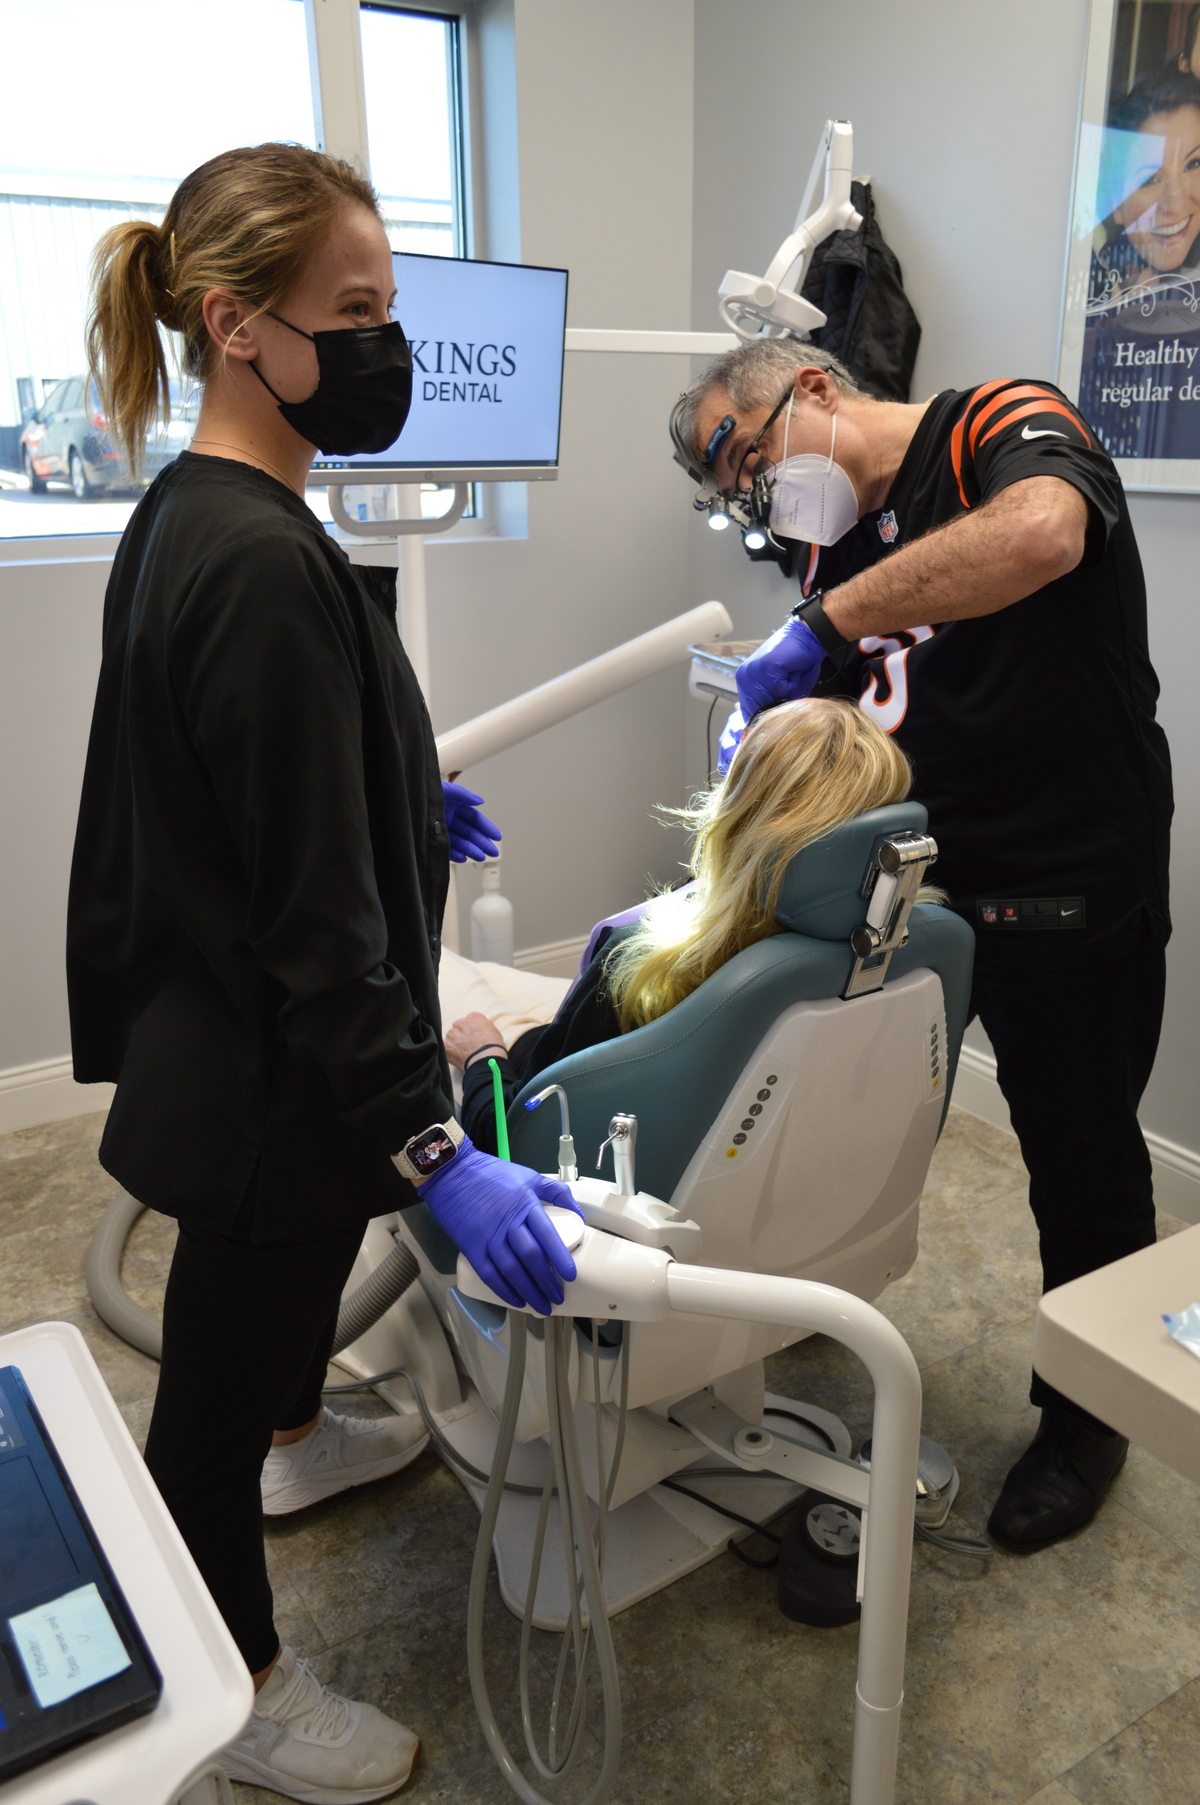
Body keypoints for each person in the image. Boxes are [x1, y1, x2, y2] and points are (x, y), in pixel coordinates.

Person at [67, 143, 578, 1805]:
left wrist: (390, 782)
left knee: (272, 1340)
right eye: (352, 310)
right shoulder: (270, 564)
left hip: (234, 1041)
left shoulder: (203, 516)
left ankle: (306, 1434)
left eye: (392, 305)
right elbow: (318, 937)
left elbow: (219, 769)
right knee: (202, 1410)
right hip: (268, 1085)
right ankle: (237, 1692)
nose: (385, 341)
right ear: (235, 325)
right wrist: (440, 1157)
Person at [670, 336, 1172, 1552]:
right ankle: (799, 1303)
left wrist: (828, 615)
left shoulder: (995, 424)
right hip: (915, 890)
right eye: (731, 491)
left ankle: (1085, 1419)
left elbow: (1042, 535)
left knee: (1082, 1156)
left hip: (1064, 887)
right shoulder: (824, 537)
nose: (756, 498)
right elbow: (859, 704)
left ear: (819, 389)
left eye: (748, 459)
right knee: (846, 1119)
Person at [441, 698, 919, 1146]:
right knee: (495, 985)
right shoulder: (905, 943)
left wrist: (484, 1056)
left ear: (739, 811)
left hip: (587, 1103)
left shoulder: (641, 970)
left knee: (454, 977)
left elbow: (512, 1140)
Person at [1089, 73, 1200, 310]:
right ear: (1117, 204)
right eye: (1150, 179)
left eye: (1193, 165)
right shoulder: (1090, 279)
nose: (1176, 204)